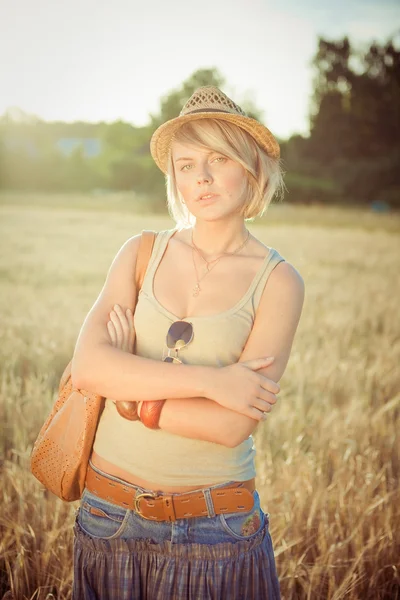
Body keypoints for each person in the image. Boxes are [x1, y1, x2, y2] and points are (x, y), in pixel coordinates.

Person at [71, 85, 305, 599]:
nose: (200, 177)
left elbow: (230, 423)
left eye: (219, 158)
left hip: (214, 527)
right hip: (108, 516)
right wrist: (212, 381)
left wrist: (128, 395)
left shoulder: (279, 281)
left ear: (251, 169)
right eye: (185, 164)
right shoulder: (140, 253)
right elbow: (87, 368)